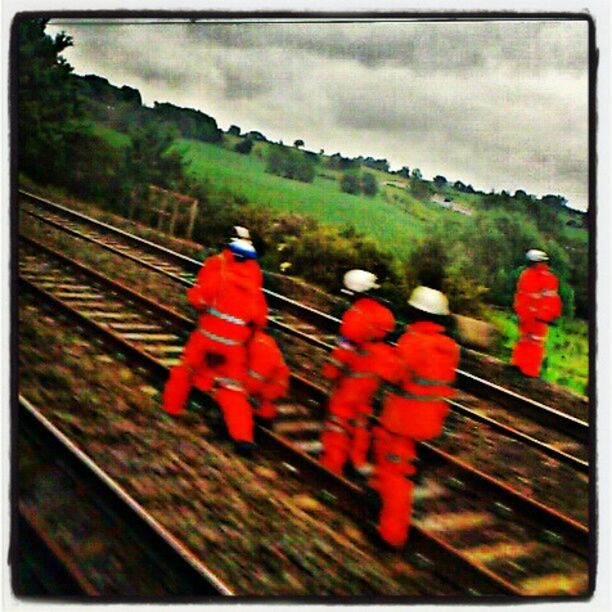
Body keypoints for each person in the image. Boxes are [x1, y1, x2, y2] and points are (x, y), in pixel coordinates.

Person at [368, 286, 460, 549]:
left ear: (417, 313)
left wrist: (383, 350)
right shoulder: (448, 346)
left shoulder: (414, 341)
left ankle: (391, 534)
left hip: (402, 418)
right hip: (428, 418)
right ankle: (378, 492)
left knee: (396, 473)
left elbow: (393, 374)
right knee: (386, 450)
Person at [162, 227, 267, 455]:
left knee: (185, 370)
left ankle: (171, 409)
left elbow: (199, 299)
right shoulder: (254, 282)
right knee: (232, 389)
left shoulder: (219, 269)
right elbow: (259, 319)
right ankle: (243, 438)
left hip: (206, 338)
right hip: (232, 347)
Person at [319, 269, 395, 478]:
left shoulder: (355, 315)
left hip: (354, 376)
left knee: (339, 418)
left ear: (353, 292)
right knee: (361, 418)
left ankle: (332, 465)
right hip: (373, 378)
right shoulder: (385, 315)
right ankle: (357, 460)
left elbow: (344, 350)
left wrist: (330, 371)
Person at [511, 249, 562, 377]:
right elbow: (523, 296)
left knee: (531, 341)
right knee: (529, 341)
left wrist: (542, 315)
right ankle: (525, 368)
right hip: (531, 317)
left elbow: (550, 300)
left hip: (534, 317)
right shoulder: (543, 277)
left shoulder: (531, 276)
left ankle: (525, 368)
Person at [244, 329, 291, 424]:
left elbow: (255, 381)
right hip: (260, 390)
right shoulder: (253, 341)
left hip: (267, 393)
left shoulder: (261, 348)